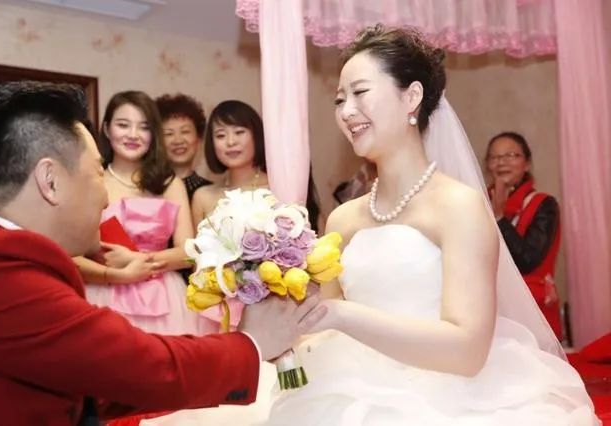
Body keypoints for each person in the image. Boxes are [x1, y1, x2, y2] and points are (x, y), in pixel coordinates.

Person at [146, 25, 598, 425]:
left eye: (360, 92)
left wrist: (344, 316)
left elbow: (467, 351)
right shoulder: (344, 217)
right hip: (345, 381)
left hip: (447, 395)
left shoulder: (458, 207)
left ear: (411, 97)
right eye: (339, 99)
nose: (346, 111)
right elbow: (321, 321)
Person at [0, 81, 325, 426]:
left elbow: (96, 383)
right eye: (97, 173)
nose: (106, 199)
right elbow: (138, 366)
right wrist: (252, 343)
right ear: (50, 180)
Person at [74, 91, 213, 336]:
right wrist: (116, 273)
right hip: (102, 293)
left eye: (144, 127)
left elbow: (189, 252)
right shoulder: (89, 182)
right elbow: (72, 254)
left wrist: (137, 260)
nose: (133, 134)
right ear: (106, 129)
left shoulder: (169, 183)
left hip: (165, 298)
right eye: (123, 125)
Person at [191, 99, 323, 232]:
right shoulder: (202, 197)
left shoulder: (280, 189)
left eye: (239, 132)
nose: (230, 142)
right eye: (221, 135)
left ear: (257, 135)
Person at [485, 131, 562, 340]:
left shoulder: (544, 204)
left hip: (532, 309)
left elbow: (529, 260)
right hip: (489, 307)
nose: (502, 162)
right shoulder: (476, 201)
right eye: (495, 157)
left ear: (527, 164)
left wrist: (499, 218)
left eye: (511, 155)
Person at [155, 93, 214, 201]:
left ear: (198, 138)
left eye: (185, 131)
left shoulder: (212, 193)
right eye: (168, 134)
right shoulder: (148, 190)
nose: (178, 140)